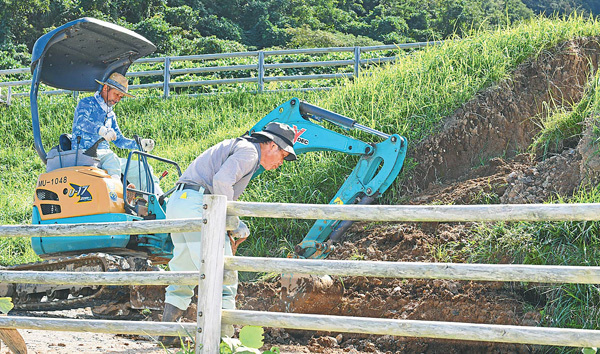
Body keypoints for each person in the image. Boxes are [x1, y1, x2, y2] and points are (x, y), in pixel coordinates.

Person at [159, 122, 297, 345]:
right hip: (199, 206)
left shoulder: (240, 147)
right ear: (271, 145)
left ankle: (167, 335)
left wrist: (230, 222)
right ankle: (223, 342)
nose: (280, 163)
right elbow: (222, 181)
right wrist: (232, 222)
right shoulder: (250, 151)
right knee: (224, 276)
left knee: (184, 271)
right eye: (282, 155)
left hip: (180, 201)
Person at [70, 72, 155, 182]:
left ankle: (155, 197)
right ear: (105, 88)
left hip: (105, 156)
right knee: (112, 159)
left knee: (143, 169)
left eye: (121, 97)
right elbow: (81, 122)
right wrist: (101, 130)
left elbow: (119, 140)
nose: (118, 99)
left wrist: (140, 144)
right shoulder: (87, 103)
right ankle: (115, 192)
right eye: (116, 94)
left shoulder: (110, 114)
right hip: (86, 154)